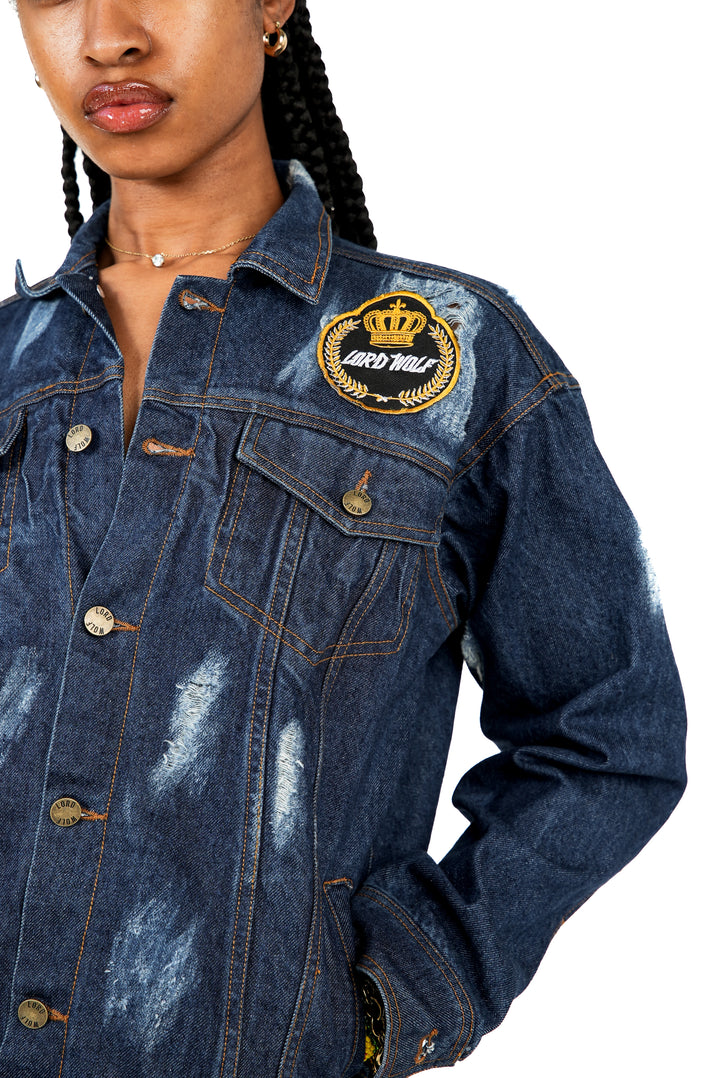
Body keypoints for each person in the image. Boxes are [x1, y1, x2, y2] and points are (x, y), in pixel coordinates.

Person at [0, 1, 687, 1076]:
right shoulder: (9, 362)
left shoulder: (455, 362)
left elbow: (609, 730)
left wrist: (402, 992)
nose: (107, 35)